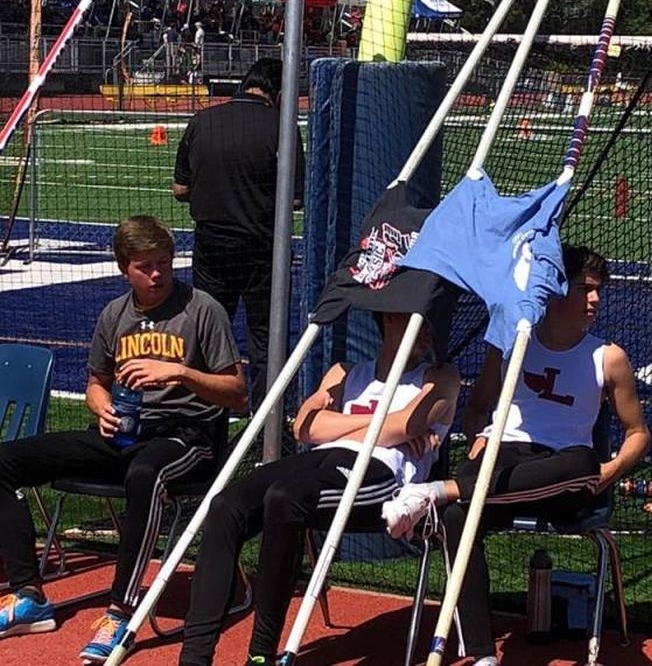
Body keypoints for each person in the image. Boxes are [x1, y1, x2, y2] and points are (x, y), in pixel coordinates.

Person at [382, 245, 650, 666]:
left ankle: (436, 490)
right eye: (585, 289)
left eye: (599, 290)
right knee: (456, 517)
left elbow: (638, 433)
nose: (595, 299)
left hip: (562, 471)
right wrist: (477, 435)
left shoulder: (608, 357)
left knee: (583, 462)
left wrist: (610, 470)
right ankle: (483, 657)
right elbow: (476, 409)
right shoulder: (512, 342)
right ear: (557, 289)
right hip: (503, 459)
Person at [0, 215, 248, 663]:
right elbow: (96, 383)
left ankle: (121, 611)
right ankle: (28, 595)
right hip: (125, 433)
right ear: (123, 268)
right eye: (145, 266)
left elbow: (237, 393)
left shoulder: (201, 309)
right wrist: (101, 408)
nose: (157, 274)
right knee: (5, 460)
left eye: (164, 263)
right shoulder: (115, 314)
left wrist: (180, 372)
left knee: (144, 474)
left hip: (186, 436)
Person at [177, 311, 461, 666]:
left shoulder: (440, 377)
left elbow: (404, 424)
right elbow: (304, 428)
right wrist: (383, 427)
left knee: (285, 498)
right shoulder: (345, 372)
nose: (430, 333)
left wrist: (342, 423)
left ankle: (260, 655)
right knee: (226, 504)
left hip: (381, 477)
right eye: (421, 323)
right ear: (390, 317)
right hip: (321, 461)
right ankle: (194, 657)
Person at [172, 57, 305, 413]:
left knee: (207, 333)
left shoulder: (202, 121)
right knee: (267, 338)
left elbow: (180, 189)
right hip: (262, 247)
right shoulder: (281, 128)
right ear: (278, 93)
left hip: (212, 245)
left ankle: (202, 414)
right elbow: (295, 198)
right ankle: (268, 420)